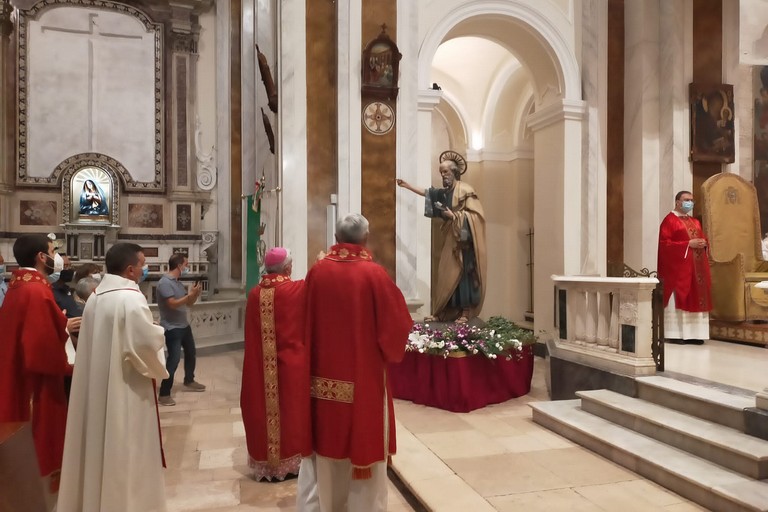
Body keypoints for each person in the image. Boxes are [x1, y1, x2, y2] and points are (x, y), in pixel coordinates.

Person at [298, 213, 412, 512]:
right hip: (363, 384)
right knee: (363, 464)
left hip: (321, 385)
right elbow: (398, 325)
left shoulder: (318, 272)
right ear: (365, 238)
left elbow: (302, 321)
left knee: (326, 457)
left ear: (336, 238)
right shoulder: (374, 275)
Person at [57, 243, 169, 512]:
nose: (145, 269)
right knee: (125, 446)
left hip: (98, 386)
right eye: (142, 264)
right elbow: (145, 348)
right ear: (131, 270)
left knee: (99, 443)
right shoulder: (131, 299)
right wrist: (158, 333)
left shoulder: (97, 296)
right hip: (125, 389)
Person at [0, 234, 80, 504]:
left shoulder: (19, 285)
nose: (55, 255)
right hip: (39, 386)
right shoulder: (36, 291)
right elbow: (40, 349)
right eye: (52, 250)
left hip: (17, 376)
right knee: (41, 451)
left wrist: (62, 325)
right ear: (40, 257)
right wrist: (70, 367)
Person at [240, 247, 311, 482]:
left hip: (261, 367)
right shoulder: (295, 290)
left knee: (265, 408)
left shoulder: (254, 294)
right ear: (288, 267)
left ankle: (270, 465)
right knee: (291, 411)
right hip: (291, 366)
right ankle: (290, 461)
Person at [396, 152, 487, 323]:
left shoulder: (466, 190)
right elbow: (428, 193)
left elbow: (477, 216)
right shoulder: (445, 192)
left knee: (464, 277)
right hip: (451, 239)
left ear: (454, 172)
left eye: (445, 172)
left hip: (465, 243)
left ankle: (465, 312)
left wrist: (455, 217)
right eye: (441, 172)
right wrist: (407, 186)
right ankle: (444, 312)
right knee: (446, 275)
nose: (443, 175)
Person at [657, 191, 712, 345]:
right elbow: (664, 245)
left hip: (697, 269)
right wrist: (688, 244)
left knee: (697, 296)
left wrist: (704, 243)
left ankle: (695, 334)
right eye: (686, 200)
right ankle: (676, 334)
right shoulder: (669, 220)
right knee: (680, 296)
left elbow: (701, 238)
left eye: (692, 200)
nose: (690, 203)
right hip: (679, 270)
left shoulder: (695, 221)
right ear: (677, 202)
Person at [157, 253, 205, 406]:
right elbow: (172, 304)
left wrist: (195, 294)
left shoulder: (178, 283)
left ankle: (189, 380)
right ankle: (164, 394)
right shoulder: (164, 282)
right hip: (172, 328)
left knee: (191, 353)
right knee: (174, 359)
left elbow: (187, 303)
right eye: (186, 264)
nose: (187, 267)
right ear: (179, 265)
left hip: (184, 325)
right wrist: (189, 295)